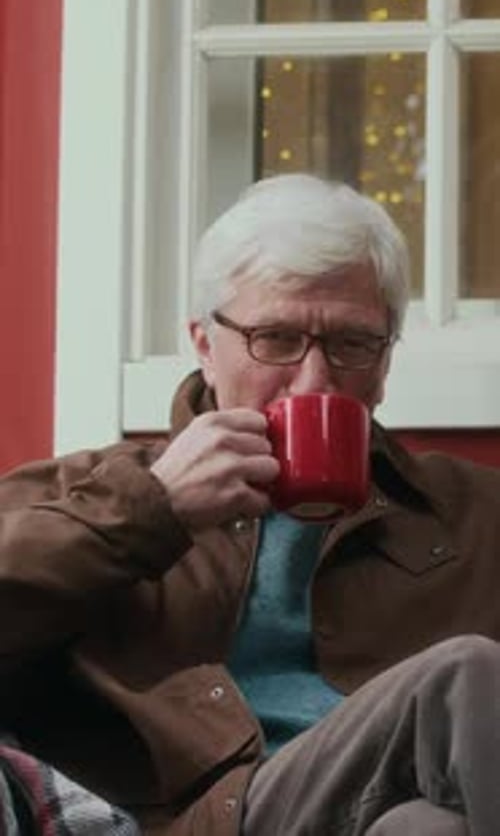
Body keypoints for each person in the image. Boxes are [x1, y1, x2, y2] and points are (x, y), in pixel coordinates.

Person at [3, 172, 500, 835]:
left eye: (353, 343)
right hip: (214, 821)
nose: (315, 381)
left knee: (428, 828)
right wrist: (154, 509)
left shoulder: (473, 514)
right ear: (206, 345)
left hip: (386, 812)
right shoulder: (88, 494)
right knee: (462, 675)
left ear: (385, 364)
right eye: (277, 339)